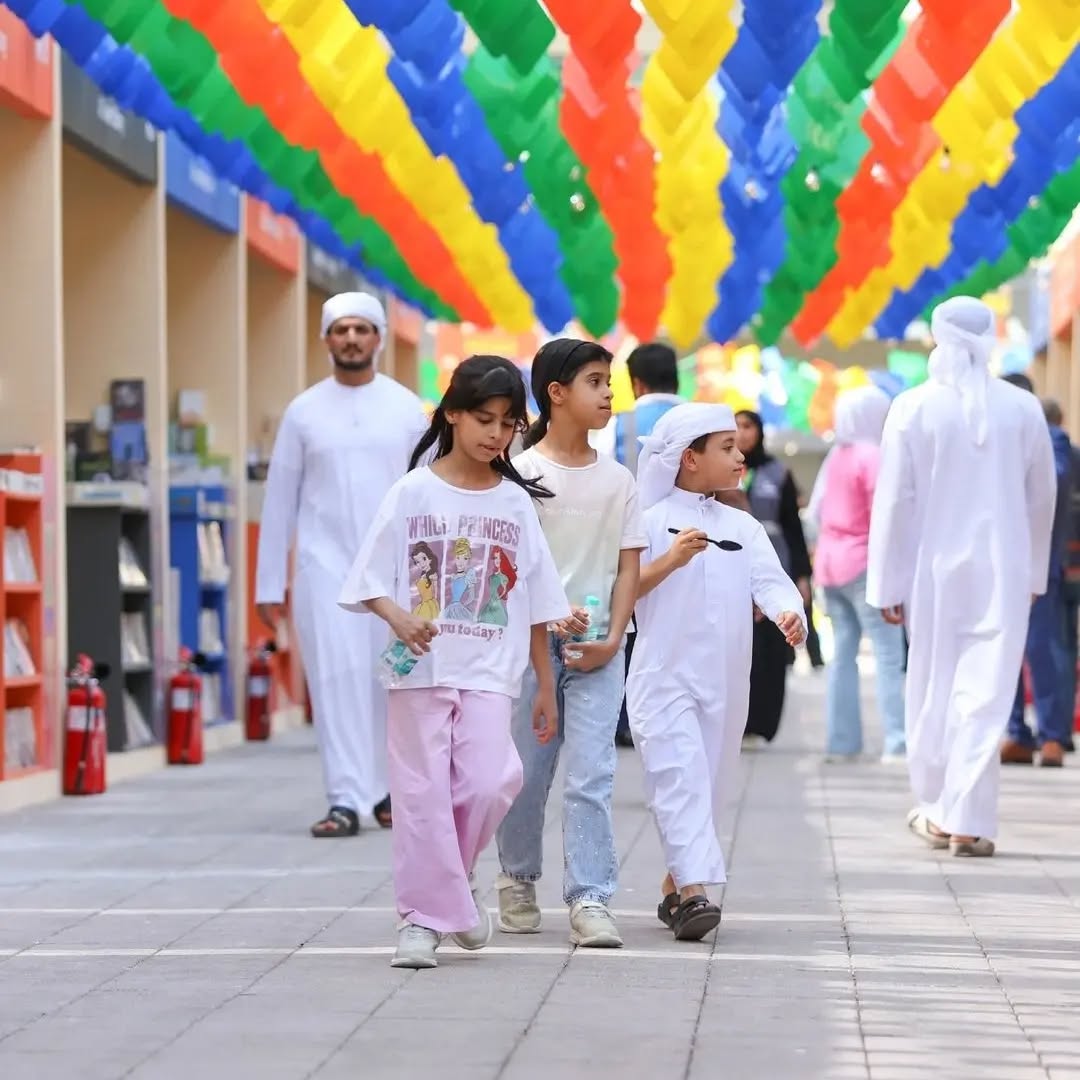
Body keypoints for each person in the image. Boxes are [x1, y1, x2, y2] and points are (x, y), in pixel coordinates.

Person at [337, 356, 569, 969]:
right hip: (419, 669)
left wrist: (545, 683)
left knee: (493, 781)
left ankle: (451, 887)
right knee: (421, 795)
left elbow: (540, 602)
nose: (496, 434)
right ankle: (421, 920)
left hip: (493, 670)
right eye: (484, 419)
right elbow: (366, 579)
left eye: (508, 424)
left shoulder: (516, 505)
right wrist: (398, 616)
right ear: (452, 415)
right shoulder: (412, 491)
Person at [867, 296, 1056, 858]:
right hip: (1003, 568)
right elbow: (1043, 497)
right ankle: (963, 817)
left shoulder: (912, 406)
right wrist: (1033, 573)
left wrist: (887, 583)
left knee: (931, 684)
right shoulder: (1022, 408)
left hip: (932, 571)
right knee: (987, 693)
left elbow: (894, 501)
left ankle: (942, 809)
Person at [627, 403, 806, 941]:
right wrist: (669, 560)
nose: (739, 455)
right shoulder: (648, 522)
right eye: (726, 447)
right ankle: (694, 896)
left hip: (726, 684)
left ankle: (673, 885)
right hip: (662, 677)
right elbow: (621, 591)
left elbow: (769, 580)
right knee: (679, 778)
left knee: (708, 788)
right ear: (688, 458)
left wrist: (786, 611)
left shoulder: (743, 526)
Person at [255, 292, 428, 838]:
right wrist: (268, 584)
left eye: (361, 329)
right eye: (341, 329)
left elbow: (425, 494)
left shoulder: (404, 408)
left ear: (378, 338)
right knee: (333, 679)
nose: (351, 338)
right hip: (322, 567)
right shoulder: (303, 411)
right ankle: (344, 798)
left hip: (393, 571)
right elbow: (279, 499)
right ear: (327, 339)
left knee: (389, 681)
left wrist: (428, 580)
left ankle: (384, 792)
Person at [496, 338, 646, 948]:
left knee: (592, 775)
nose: (608, 392)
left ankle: (590, 898)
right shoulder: (521, 476)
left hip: (600, 652)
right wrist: (548, 625)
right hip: (532, 649)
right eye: (594, 381)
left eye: (608, 381)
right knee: (525, 776)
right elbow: (514, 572)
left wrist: (614, 637)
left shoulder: (618, 481)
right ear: (556, 394)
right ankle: (517, 878)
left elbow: (629, 567)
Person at [807, 386, 907, 763]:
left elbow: (816, 513)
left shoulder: (836, 456)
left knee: (842, 658)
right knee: (887, 656)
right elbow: (888, 516)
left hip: (831, 568)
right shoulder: (874, 456)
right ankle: (897, 742)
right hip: (866, 565)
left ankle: (842, 743)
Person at [593, 343, 683, 749]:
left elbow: (602, 480)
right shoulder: (703, 420)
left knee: (630, 625)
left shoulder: (621, 425)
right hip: (695, 538)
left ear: (636, 382)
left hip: (631, 539)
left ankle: (626, 718)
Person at [1001, 393, 1074, 767]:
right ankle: (1020, 733)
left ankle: (1049, 736)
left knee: (1041, 651)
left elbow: (1056, 481)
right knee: (1012, 650)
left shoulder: (1054, 441)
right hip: (1016, 565)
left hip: (1039, 567)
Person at [733, 410, 813, 742]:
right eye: (735, 427)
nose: (742, 433)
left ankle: (761, 725)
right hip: (734, 572)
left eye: (748, 426)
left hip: (773, 570)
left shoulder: (778, 473)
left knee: (769, 654)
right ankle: (736, 723)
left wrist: (802, 577)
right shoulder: (721, 470)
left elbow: (794, 530)